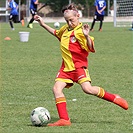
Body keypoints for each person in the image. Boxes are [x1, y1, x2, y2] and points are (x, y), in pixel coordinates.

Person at [34, 4, 128, 127]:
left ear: (78, 16)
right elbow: (56, 33)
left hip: (78, 67)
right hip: (65, 68)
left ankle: (114, 98)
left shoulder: (81, 31)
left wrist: (87, 35)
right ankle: (64, 120)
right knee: (56, 89)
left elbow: (90, 47)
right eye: (66, 20)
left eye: (71, 20)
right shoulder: (65, 29)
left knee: (87, 89)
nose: (69, 23)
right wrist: (43, 24)